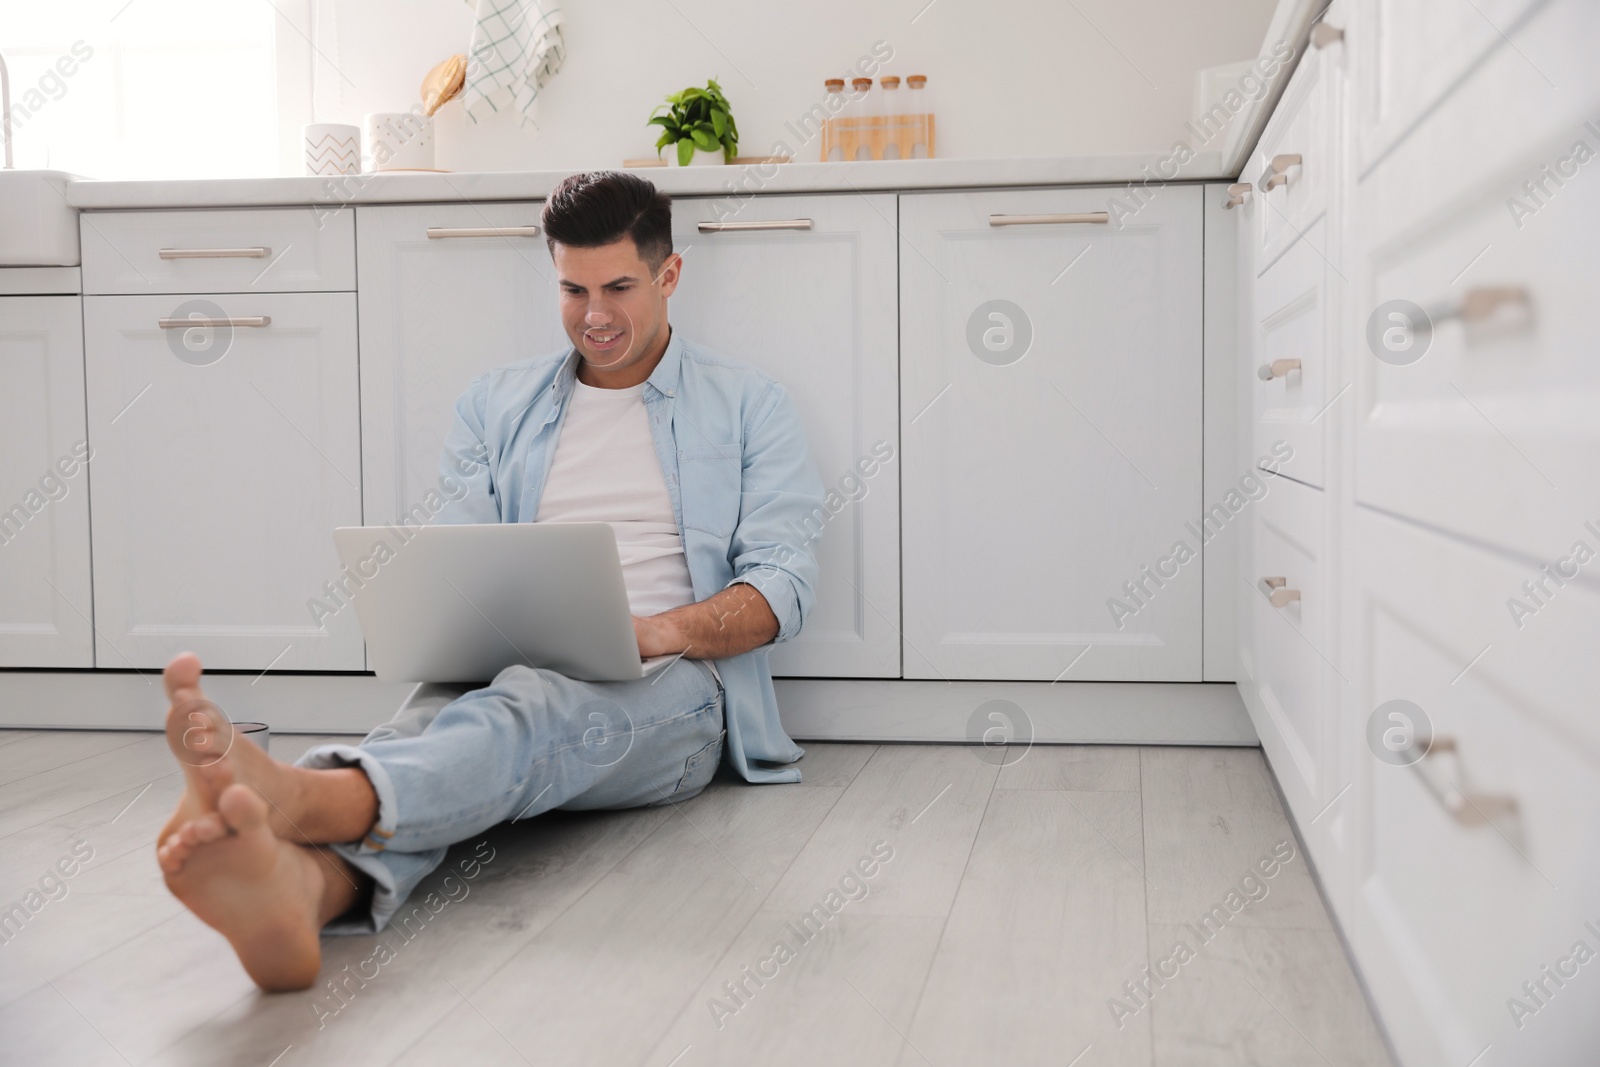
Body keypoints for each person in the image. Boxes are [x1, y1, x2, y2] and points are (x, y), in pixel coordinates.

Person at [153, 170, 827, 991]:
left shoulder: (750, 403)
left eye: (619, 286)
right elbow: (458, 561)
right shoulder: (494, 404)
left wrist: (662, 629)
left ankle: (303, 795)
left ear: (669, 274)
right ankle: (307, 891)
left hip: (678, 694)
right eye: (573, 289)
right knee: (433, 732)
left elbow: (781, 586)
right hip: (507, 664)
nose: (596, 314)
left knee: (525, 714)